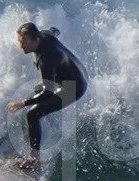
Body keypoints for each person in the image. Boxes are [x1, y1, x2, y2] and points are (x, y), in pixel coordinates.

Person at [6, 21, 86, 161]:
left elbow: (47, 93)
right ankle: (36, 130)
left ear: (36, 39)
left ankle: (34, 159)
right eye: (20, 41)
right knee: (36, 92)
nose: (21, 46)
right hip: (79, 72)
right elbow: (53, 31)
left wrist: (23, 103)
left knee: (32, 113)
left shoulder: (46, 60)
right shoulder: (44, 34)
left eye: (25, 42)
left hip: (75, 88)